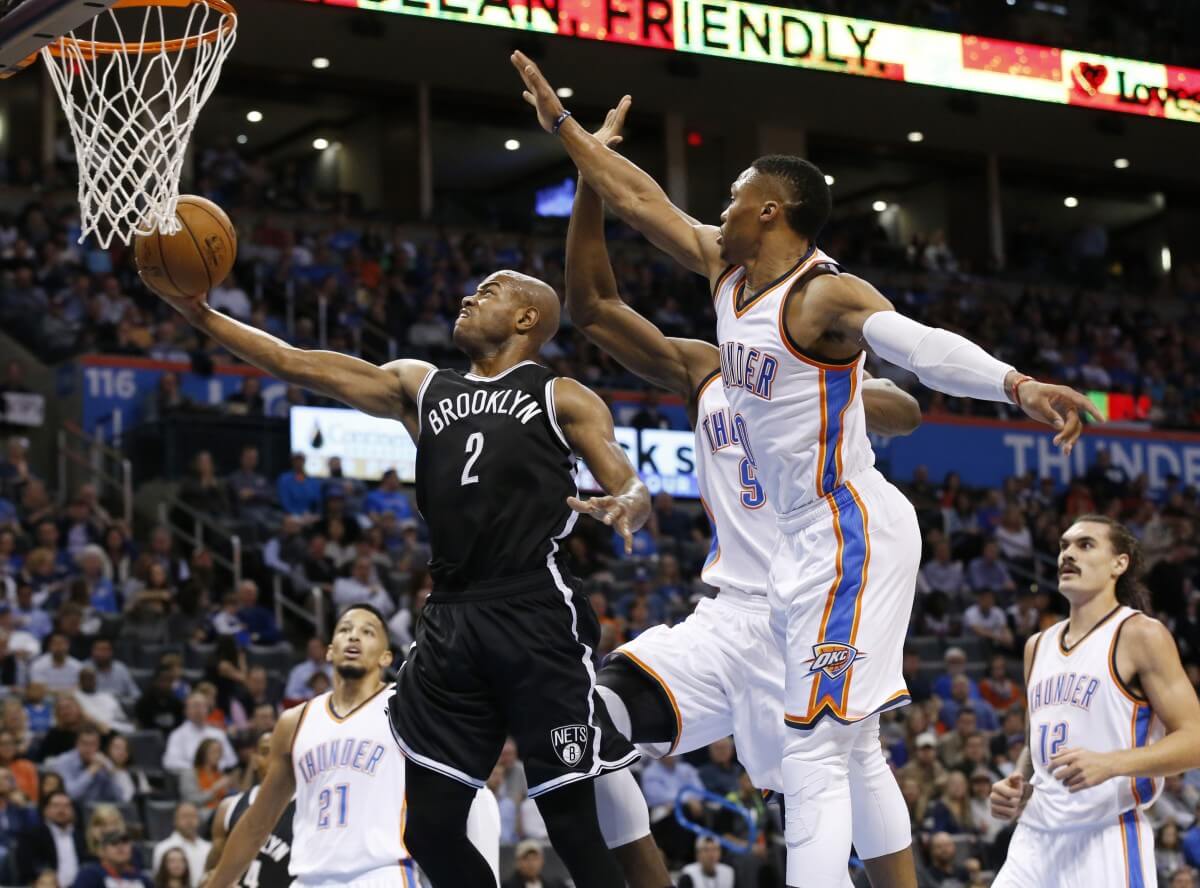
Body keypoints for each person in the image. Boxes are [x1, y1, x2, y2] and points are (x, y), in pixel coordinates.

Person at [513, 53, 1098, 888]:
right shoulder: (727, 269)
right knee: (848, 745)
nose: (719, 211)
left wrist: (1016, 384)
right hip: (792, 546)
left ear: (771, 209)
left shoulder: (826, 299)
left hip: (850, 522)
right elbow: (641, 202)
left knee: (819, 747)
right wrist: (567, 134)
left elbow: (919, 351)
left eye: (733, 198)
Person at [144, 230, 652, 888]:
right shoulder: (423, 386)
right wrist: (201, 315)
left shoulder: (562, 396)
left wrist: (629, 506)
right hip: (451, 619)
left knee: (572, 824)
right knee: (429, 828)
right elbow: (296, 362)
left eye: (490, 292)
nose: (470, 297)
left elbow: (625, 478)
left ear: (528, 318)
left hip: (533, 612)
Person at [560, 106, 924, 888]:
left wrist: (842, 385)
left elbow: (909, 409)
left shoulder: (821, 357)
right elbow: (591, 309)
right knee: (584, 719)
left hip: (809, 598)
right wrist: (591, 177)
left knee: (849, 777)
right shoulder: (703, 369)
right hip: (728, 615)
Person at [203, 604, 500, 888]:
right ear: (330, 650)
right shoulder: (294, 722)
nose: (354, 636)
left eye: (368, 631)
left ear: (385, 657)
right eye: (345, 629)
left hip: (382, 874)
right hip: (308, 879)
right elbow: (257, 823)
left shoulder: (406, 706)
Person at [990, 516, 1200, 886]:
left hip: (1105, 834)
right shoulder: (1036, 646)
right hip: (1033, 837)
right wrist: (1018, 782)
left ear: (1119, 563)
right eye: (1064, 546)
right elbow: (1033, 742)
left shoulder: (1140, 635)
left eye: (1085, 545)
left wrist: (1112, 763)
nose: (1068, 554)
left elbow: (1194, 739)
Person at [16, 790, 86, 886]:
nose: (61, 810)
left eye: (66, 806)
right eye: (56, 806)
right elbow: (27, 867)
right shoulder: (32, 835)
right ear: (45, 810)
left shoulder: (81, 836)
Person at [162, 693, 237, 774]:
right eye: (194, 706)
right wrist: (198, 769)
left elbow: (232, 759)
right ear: (186, 710)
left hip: (216, 775)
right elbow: (169, 762)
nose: (198, 710)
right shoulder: (177, 735)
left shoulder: (218, 734)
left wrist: (215, 766)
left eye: (202, 706)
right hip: (190, 777)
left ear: (208, 710)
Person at [152, 802, 210, 888]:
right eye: (184, 816)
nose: (189, 821)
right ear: (175, 821)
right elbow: (160, 881)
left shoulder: (209, 847)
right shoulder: (163, 847)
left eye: (193, 816)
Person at [72, 829, 152, 888]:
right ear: (102, 851)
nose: (120, 846)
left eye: (125, 842)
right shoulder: (90, 875)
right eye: (114, 843)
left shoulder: (143, 880)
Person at [503, 840, 568, 888]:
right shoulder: (508, 886)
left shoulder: (556, 884)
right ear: (518, 862)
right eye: (526, 858)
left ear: (542, 861)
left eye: (535, 858)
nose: (531, 863)